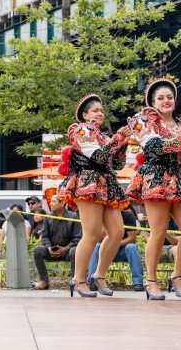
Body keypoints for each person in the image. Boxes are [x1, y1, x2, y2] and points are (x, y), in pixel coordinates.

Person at [126, 78, 181, 299]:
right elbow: (156, 148)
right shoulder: (144, 122)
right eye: (161, 98)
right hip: (156, 177)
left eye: (169, 97)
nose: (166, 101)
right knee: (158, 231)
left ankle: (177, 276)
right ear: (153, 102)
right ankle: (151, 281)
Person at [59, 93, 130, 298]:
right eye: (95, 110)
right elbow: (98, 156)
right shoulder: (80, 129)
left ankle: (99, 276)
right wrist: (116, 138)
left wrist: (122, 142)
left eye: (101, 110)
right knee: (91, 233)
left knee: (117, 232)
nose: (100, 113)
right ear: (84, 114)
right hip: (87, 182)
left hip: (106, 183)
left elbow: (117, 164)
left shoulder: (103, 136)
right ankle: (78, 279)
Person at [31, 195, 81, 290]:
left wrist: (66, 248)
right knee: (37, 250)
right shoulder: (48, 217)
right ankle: (44, 281)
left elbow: (77, 238)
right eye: (51, 201)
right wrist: (49, 248)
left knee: (75, 251)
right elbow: (45, 236)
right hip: (52, 251)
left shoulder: (73, 216)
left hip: (67, 251)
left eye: (53, 201)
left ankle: (74, 282)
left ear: (62, 203)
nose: (50, 204)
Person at [87, 208, 144, 291]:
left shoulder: (128, 215)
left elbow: (132, 238)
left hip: (122, 250)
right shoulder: (99, 216)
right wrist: (103, 225)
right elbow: (97, 239)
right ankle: (92, 280)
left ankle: (138, 282)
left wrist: (114, 244)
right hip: (105, 250)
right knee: (96, 246)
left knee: (132, 247)